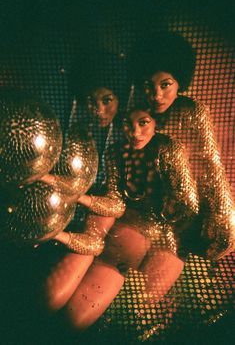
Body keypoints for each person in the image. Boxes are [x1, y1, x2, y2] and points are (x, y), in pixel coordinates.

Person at [43, 103, 199, 331]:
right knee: (61, 309)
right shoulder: (116, 152)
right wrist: (78, 196)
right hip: (117, 238)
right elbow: (115, 203)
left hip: (162, 242)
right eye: (127, 124)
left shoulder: (168, 149)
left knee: (129, 315)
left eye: (143, 123)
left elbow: (186, 206)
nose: (135, 132)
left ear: (156, 123)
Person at [128, 31, 235, 260]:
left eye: (165, 85)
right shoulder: (139, 116)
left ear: (179, 82)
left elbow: (211, 165)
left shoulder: (192, 111)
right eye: (149, 86)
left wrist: (222, 218)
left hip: (197, 210)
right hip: (154, 212)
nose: (157, 95)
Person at [41, 50, 127, 312]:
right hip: (70, 219)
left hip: (108, 226)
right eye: (91, 101)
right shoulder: (73, 133)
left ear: (120, 98)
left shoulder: (130, 135)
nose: (99, 110)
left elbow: (117, 204)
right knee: (50, 297)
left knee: (68, 307)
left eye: (107, 100)